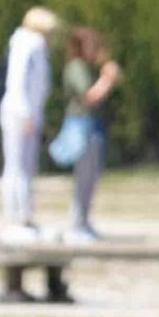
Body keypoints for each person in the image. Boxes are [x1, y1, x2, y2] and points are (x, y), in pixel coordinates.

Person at [52, 27, 120, 242]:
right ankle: (76, 224)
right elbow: (89, 97)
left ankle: (83, 221)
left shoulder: (87, 67)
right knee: (84, 176)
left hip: (91, 124)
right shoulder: (76, 67)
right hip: (81, 124)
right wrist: (108, 79)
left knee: (91, 176)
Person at [0, 7, 55, 242]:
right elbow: (17, 82)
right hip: (19, 114)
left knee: (27, 167)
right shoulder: (26, 44)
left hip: (30, 114)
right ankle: (13, 217)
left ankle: (25, 216)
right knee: (15, 167)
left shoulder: (35, 46)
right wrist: (26, 114)